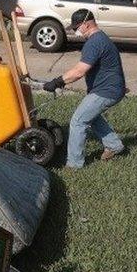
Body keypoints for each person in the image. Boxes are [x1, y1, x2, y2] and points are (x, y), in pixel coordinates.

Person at [42, 9, 127, 169]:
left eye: (77, 27)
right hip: (111, 89)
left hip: (106, 91)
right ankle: (114, 146)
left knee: (78, 121)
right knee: (91, 117)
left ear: (87, 24)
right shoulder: (100, 39)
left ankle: (74, 164)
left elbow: (79, 71)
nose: (76, 31)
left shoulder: (94, 42)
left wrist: (57, 82)